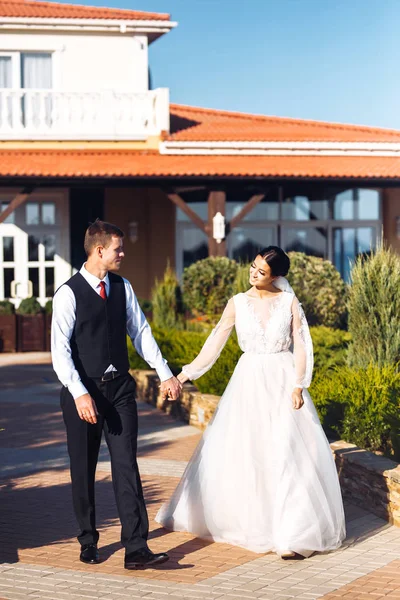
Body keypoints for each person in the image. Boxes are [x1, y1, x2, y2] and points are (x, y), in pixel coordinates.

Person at [156, 246, 346, 559]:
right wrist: (183, 375)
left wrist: (299, 385)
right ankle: (253, 521)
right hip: (249, 383)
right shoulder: (237, 303)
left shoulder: (288, 302)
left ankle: (293, 534)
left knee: (288, 453)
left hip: (283, 381)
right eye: (253, 266)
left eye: (262, 271)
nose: (253, 273)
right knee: (251, 451)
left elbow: (302, 346)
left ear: (278, 276)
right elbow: (214, 344)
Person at [51, 219, 181, 569]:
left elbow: (140, 332)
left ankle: (136, 548)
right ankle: (88, 539)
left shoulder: (122, 287)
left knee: (126, 465)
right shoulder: (68, 293)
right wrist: (79, 394)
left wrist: (165, 373)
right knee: (84, 467)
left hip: (119, 390)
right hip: (83, 392)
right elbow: (60, 352)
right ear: (99, 250)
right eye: (118, 249)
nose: (122, 254)